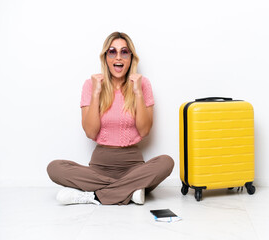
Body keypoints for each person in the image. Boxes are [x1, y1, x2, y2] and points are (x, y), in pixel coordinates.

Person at [47, 32, 174, 205]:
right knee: (54, 168)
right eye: (112, 52)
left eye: (124, 52)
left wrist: (137, 93)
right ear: (105, 57)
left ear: (131, 58)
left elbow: (144, 130)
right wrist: (96, 93)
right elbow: (90, 132)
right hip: (99, 169)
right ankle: (131, 192)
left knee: (166, 162)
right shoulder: (91, 85)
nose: (118, 57)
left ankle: (94, 195)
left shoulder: (142, 84)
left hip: (134, 168)